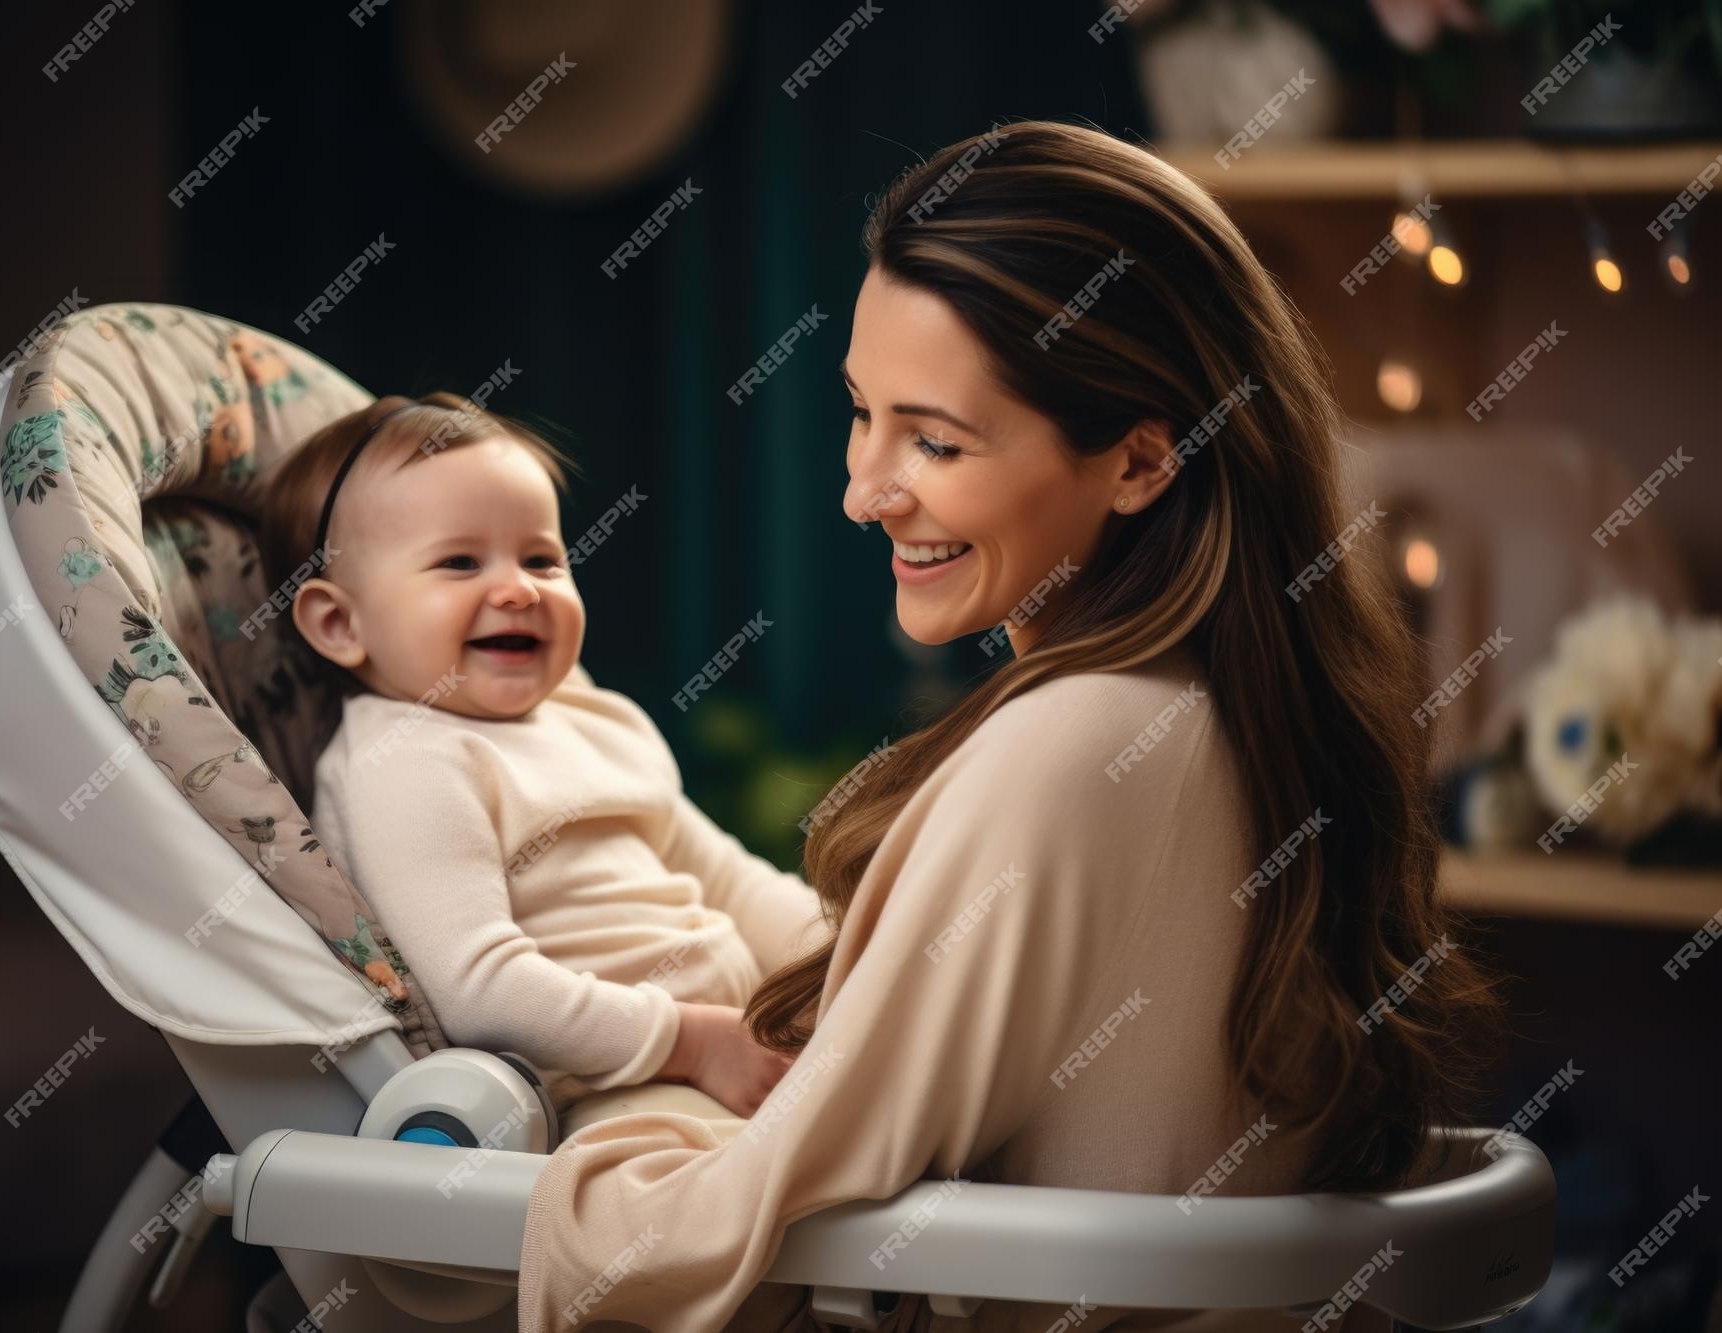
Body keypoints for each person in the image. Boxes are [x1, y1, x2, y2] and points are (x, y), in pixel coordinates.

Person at [514, 119, 1504, 1332]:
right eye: (859, 411)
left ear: (1140, 460)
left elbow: (730, 1229)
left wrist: (600, 1111)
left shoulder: (1076, 746)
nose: (861, 488)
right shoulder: (1227, 715)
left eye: (933, 438)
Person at [258, 394, 832, 1119]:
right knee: (723, 1191)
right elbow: (482, 991)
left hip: (742, 1040)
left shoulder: (588, 713)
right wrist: (689, 1042)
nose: (519, 588)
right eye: (460, 561)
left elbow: (720, 874)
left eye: (542, 558)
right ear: (341, 623)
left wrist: (838, 952)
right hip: (618, 1089)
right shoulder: (406, 763)